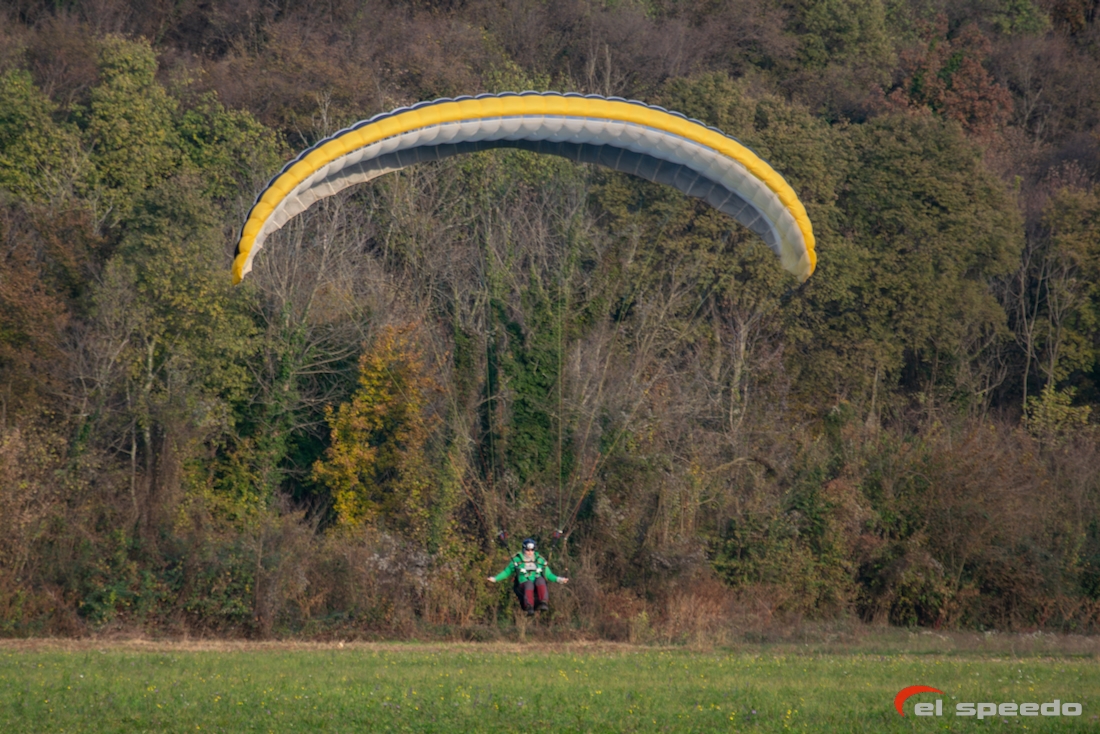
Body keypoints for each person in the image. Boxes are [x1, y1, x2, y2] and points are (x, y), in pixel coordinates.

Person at [487, 538, 568, 615]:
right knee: (529, 584)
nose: (530, 552)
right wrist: (495, 579)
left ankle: (544, 602)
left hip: (537, 583)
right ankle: (529, 606)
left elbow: (549, 574)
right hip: (523, 583)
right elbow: (506, 572)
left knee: (540, 579)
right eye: (528, 550)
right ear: (524, 549)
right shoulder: (517, 560)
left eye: (532, 550)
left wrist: (560, 579)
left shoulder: (539, 560)